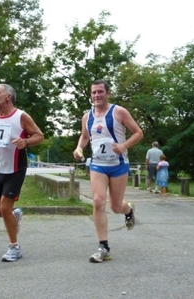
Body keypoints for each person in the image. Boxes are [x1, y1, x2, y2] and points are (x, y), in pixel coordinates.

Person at [73, 79, 143, 263]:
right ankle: (103, 246)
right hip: (98, 164)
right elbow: (85, 136)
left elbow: (138, 132)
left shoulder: (118, 112)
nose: (96, 95)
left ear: (108, 93)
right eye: (94, 92)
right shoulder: (87, 117)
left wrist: (124, 146)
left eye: (100, 92)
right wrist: (79, 148)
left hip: (118, 164)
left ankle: (128, 210)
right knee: (97, 202)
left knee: (115, 206)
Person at [0, 83, 44, 262]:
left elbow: (39, 135)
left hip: (16, 169)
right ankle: (14, 216)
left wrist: (26, 142)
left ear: (8, 97)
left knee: (4, 207)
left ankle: (14, 247)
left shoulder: (21, 116)